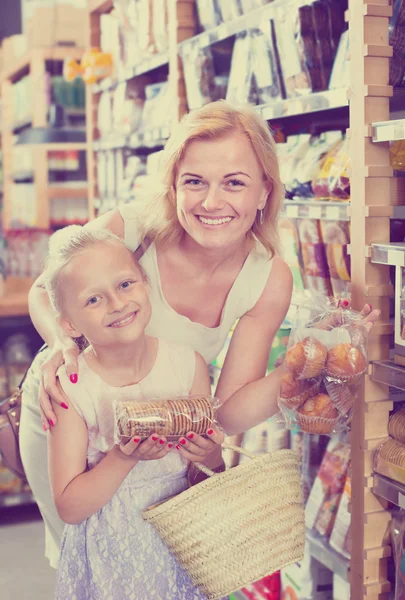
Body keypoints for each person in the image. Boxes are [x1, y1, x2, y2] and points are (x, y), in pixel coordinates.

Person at [20, 100, 380, 570]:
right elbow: (43, 292)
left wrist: (297, 366)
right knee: (84, 562)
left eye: (234, 182)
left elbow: (226, 412)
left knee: (148, 571)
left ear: (264, 192)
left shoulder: (266, 278)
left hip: (157, 442)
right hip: (70, 421)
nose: (211, 202)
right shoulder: (130, 231)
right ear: (173, 185)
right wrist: (62, 345)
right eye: (195, 181)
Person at [44, 226, 220, 598]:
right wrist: (121, 458)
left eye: (125, 285)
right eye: (93, 299)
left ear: (145, 282)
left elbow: (206, 476)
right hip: (114, 558)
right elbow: (70, 506)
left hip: (180, 546)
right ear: (69, 324)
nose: (117, 303)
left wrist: (208, 454)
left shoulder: (188, 366)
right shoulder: (73, 388)